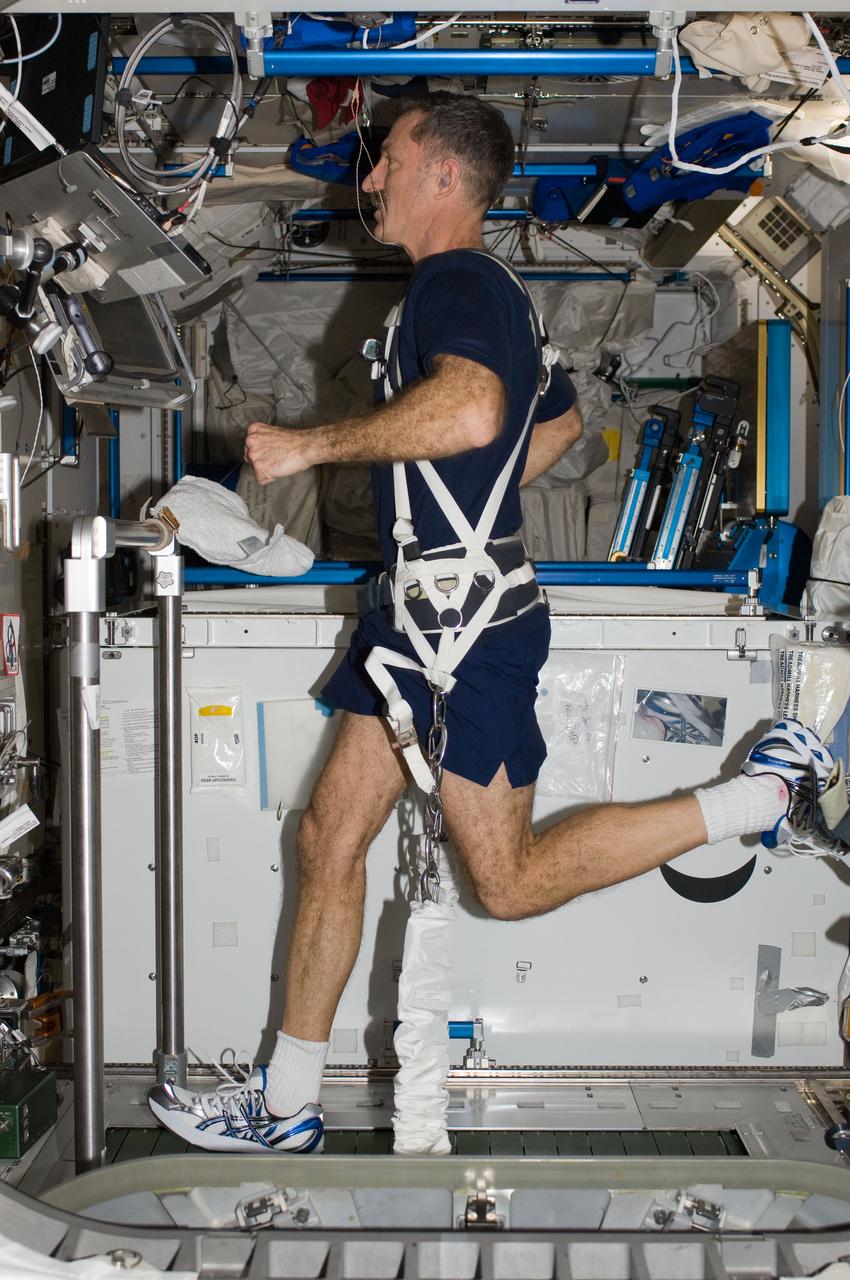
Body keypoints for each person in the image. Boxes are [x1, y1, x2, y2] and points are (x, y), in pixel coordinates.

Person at [149, 93, 844, 1153]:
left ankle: (759, 793)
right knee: (327, 833)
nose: (368, 176)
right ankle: (284, 1101)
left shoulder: (457, 281)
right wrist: (469, 504)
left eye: (387, 159)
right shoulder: (498, 294)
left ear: (441, 173)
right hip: (415, 618)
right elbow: (552, 420)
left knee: (506, 882)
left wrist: (311, 447)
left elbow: (474, 411)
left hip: (460, 630)